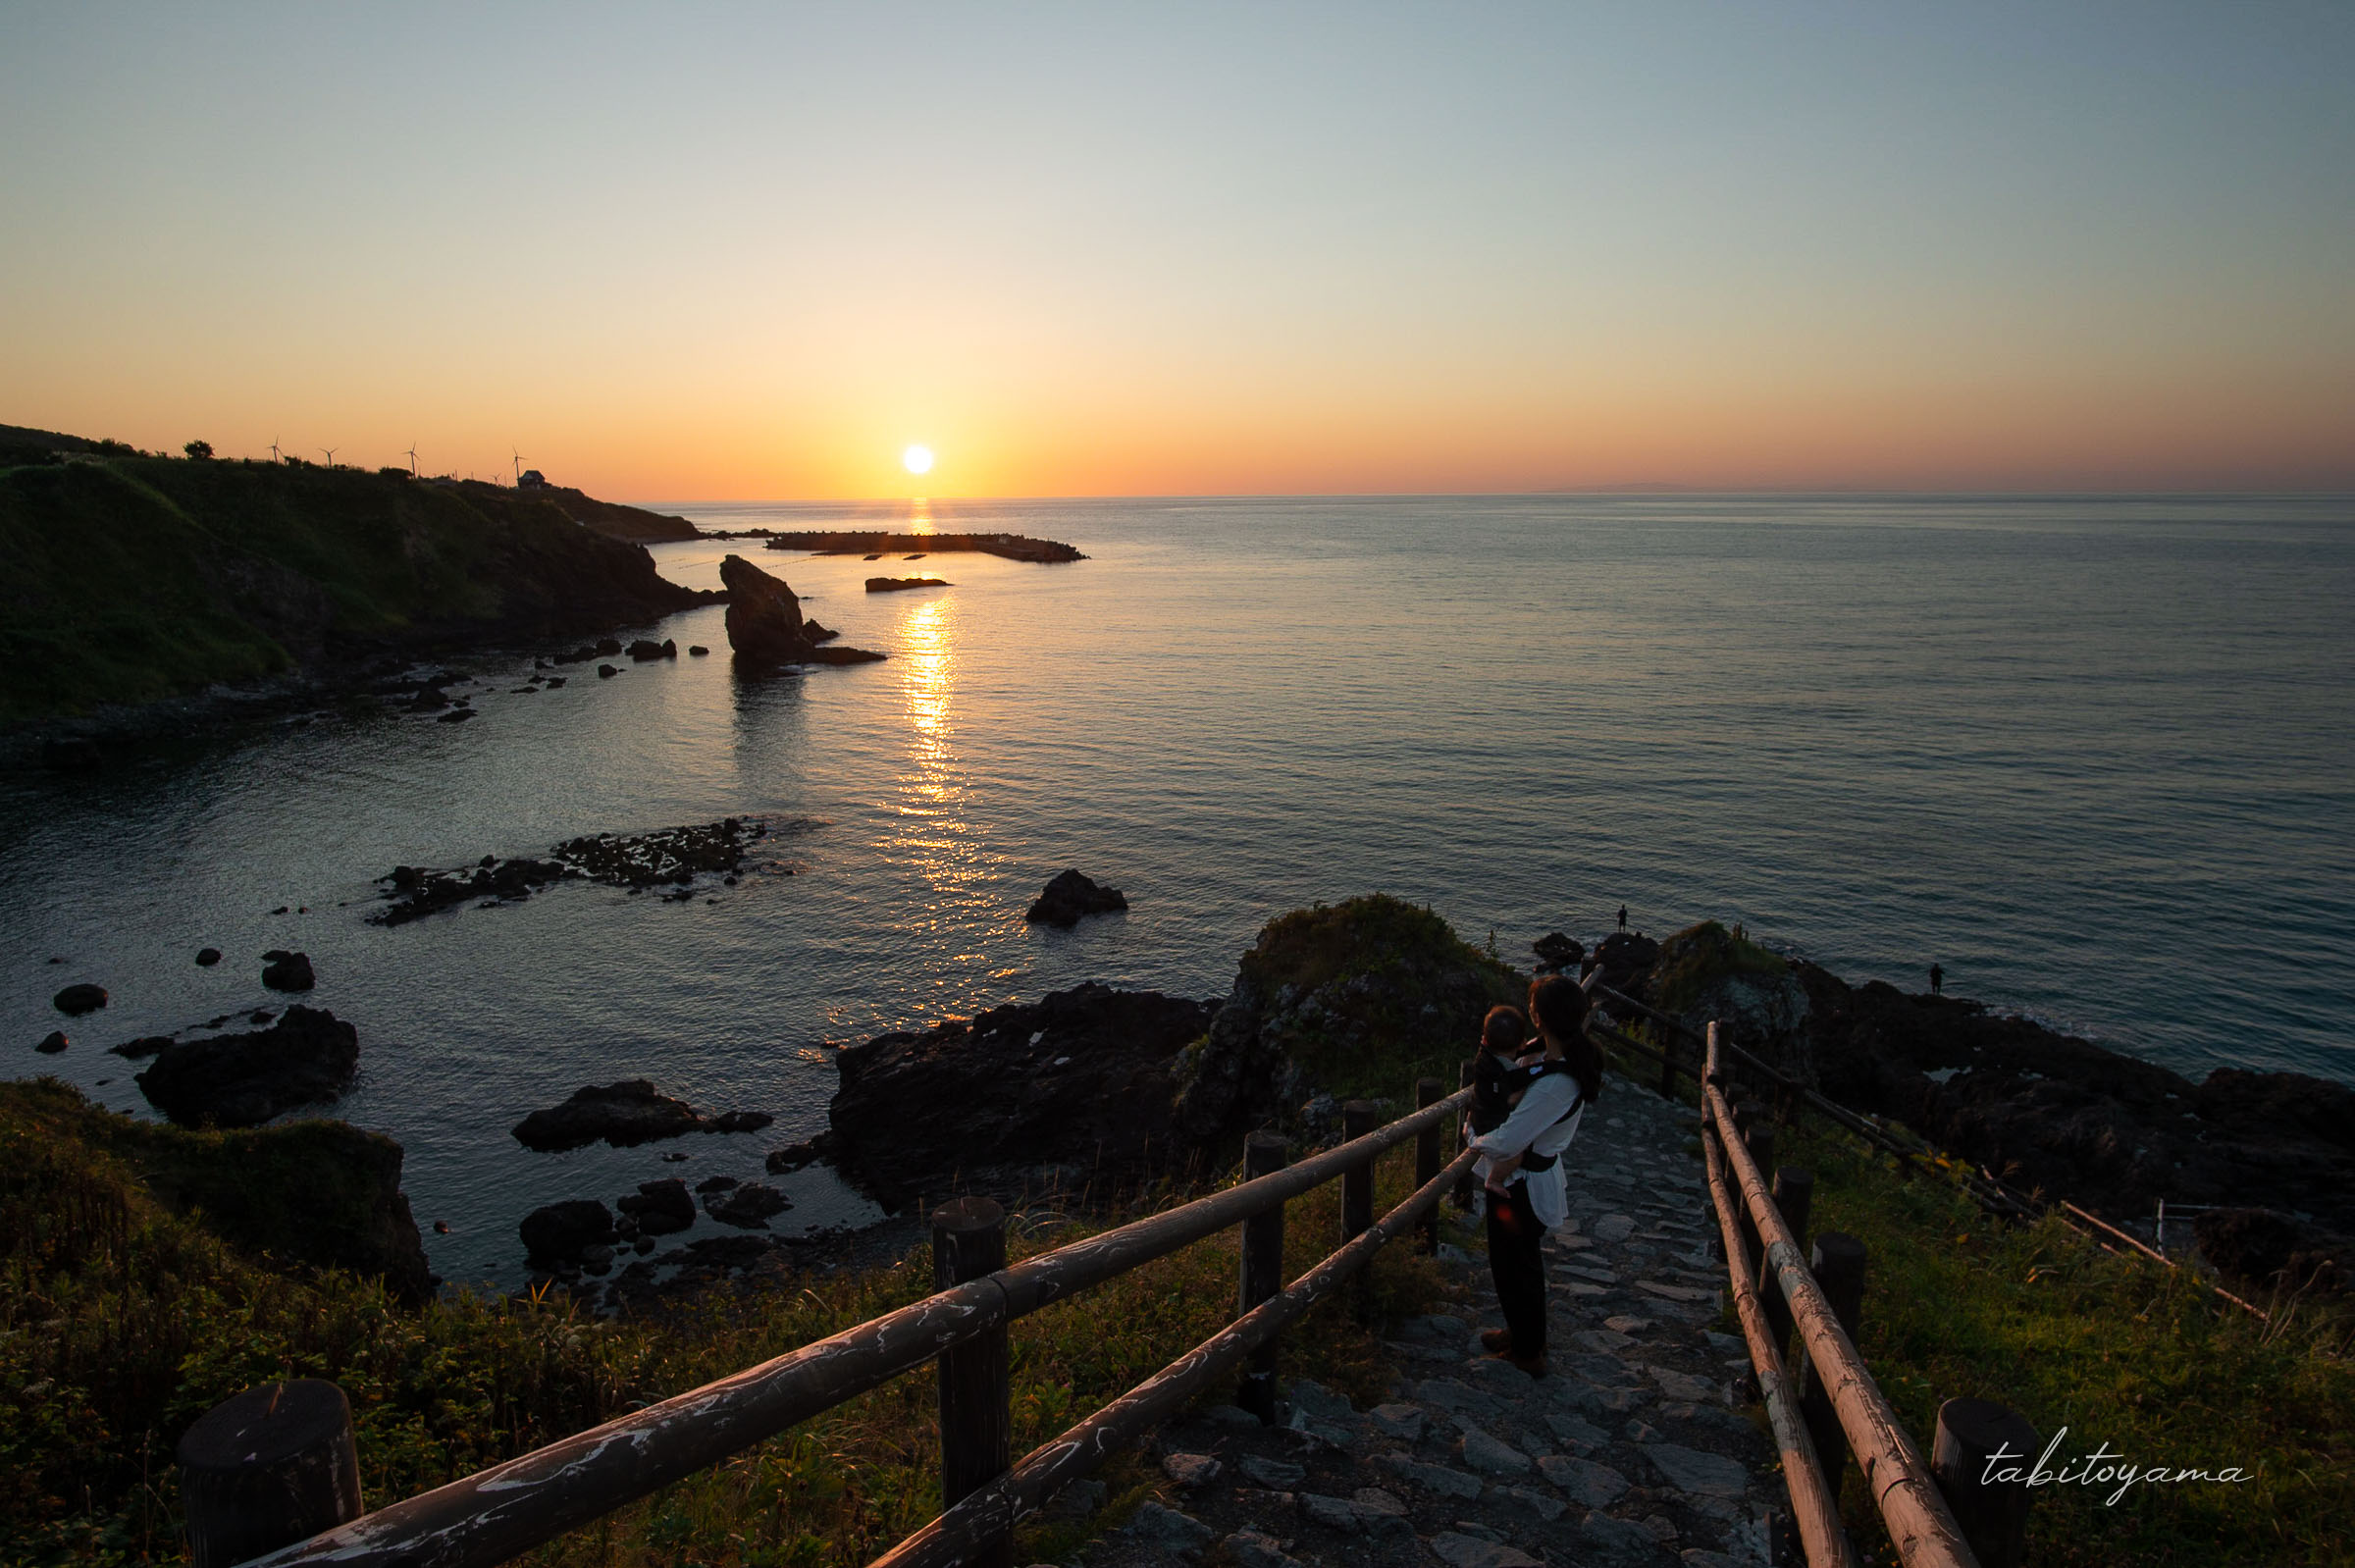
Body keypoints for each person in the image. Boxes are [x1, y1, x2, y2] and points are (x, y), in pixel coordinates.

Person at [1467, 972, 1602, 1376]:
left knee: (1516, 1267)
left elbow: (1507, 1140)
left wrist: (1471, 1134)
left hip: (1520, 1188)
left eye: (1532, 1008)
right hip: (1523, 1178)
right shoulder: (1554, 1055)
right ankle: (1522, 1333)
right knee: (1515, 1264)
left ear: (1541, 1018)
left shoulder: (1557, 1082)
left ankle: (1528, 1352)